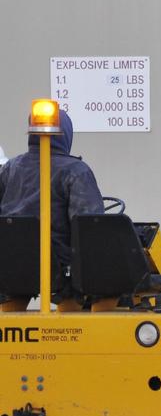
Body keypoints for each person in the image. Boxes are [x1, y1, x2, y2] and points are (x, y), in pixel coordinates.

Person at [0, 110, 104, 296]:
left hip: (9, 264)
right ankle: (74, 316)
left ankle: (13, 314)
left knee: (14, 289)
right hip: (58, 267)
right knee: (113, 279)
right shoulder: (76, 171)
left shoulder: (11, 168)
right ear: (66, 135)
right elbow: (90, 227)